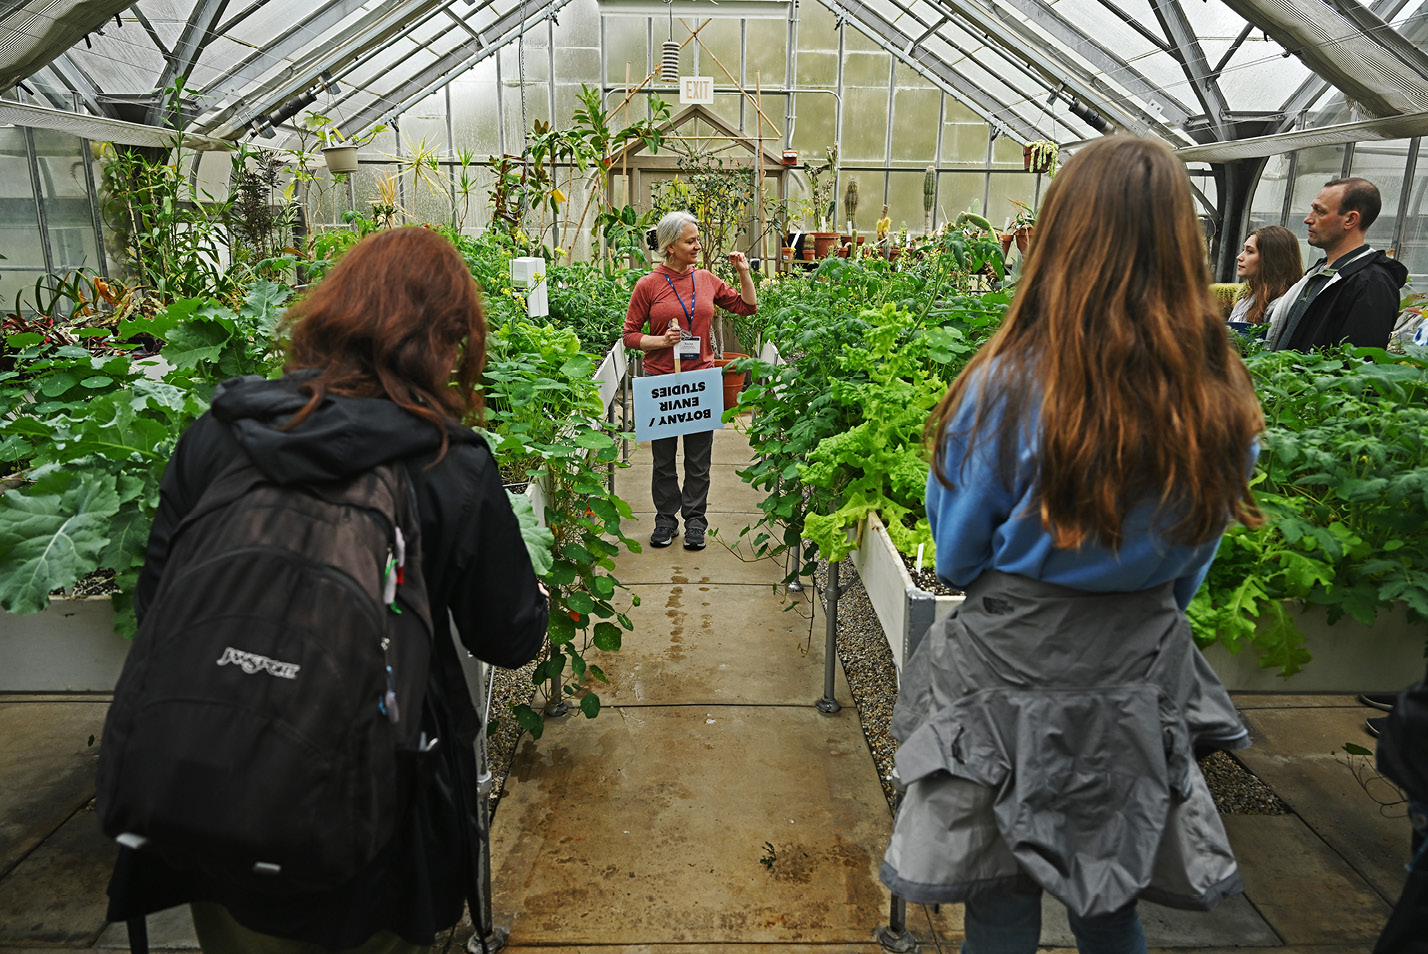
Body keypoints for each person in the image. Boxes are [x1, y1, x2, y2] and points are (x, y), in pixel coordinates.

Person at [104, 227, 549, 953]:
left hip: (208, 789)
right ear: (446, 339)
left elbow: (158, 605)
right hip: (366, 821)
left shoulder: (222, 434)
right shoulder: (446, 464)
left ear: (328, 314)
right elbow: (508, 634)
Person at [881, 136, 1264, 954]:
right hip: (1133, 671)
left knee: (999, 886)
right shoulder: (1220, 393)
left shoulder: (1007, 383)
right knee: (1110, 883)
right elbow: (1194, 564)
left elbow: (954, 555)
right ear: (1181, 243)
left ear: (1061, 233)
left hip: (1010, 665)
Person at [623, 210, 756, 551]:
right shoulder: (648, 285)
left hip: (700, 379)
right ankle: (666, 519)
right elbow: (630, 336)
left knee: (699, 458)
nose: (698, 246)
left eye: (697, 239)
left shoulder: (707, 280)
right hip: (661, 380)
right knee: (663, 458)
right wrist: (661, 342)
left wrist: (743, 272)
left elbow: (747, 307)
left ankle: (696, 520)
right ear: (669, 247)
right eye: (690, 241)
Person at [1267, 177, 1407, 350]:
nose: (1308, 219)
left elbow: (1357, 363)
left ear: (1350, 220)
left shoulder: (1371, 283)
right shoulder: (1321, 272)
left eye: (1320, 211)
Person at [1228, 225, 1302, 325]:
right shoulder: (1244, 302)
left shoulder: (1281, 308)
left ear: (1271, 259)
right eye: (1243, 249)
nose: (1239, 257)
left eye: (1250, 251)